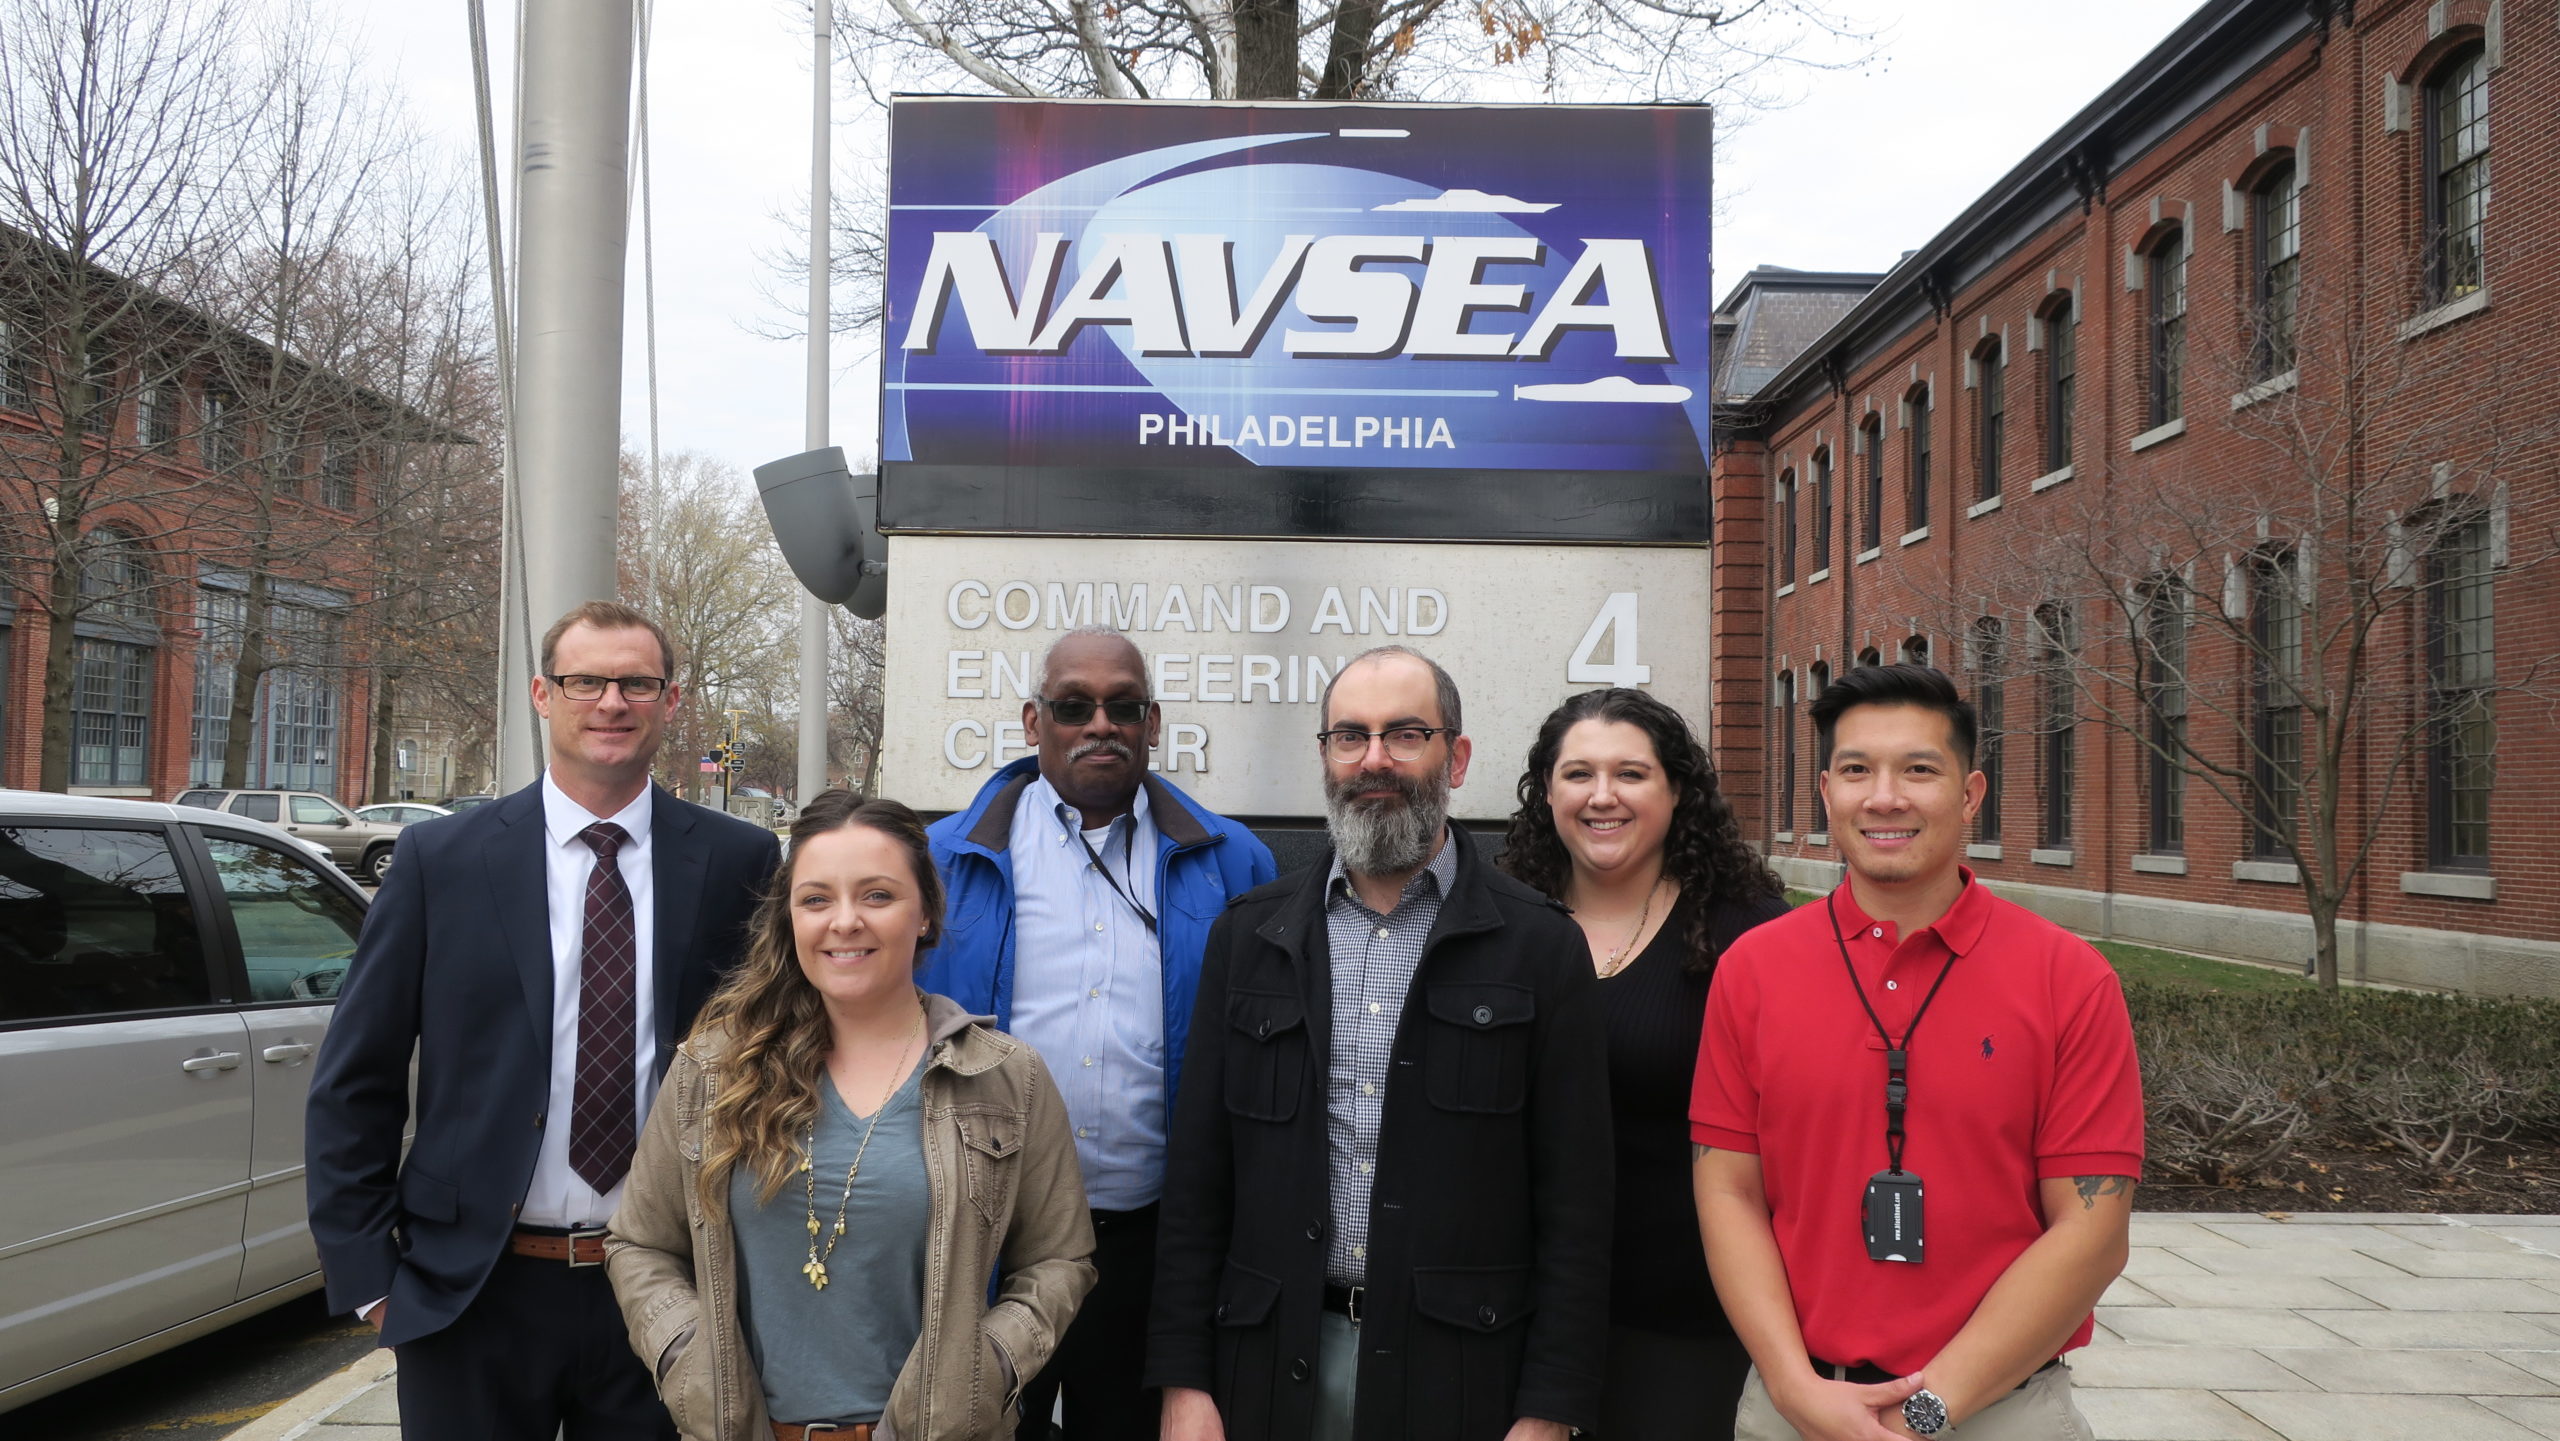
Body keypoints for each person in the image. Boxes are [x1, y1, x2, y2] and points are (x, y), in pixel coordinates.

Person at [306, 600, 782, 1440]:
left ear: (670, 701)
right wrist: (371, 1277)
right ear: (541, 693)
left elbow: (771, 1058)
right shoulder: (440, 860)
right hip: (473, 1291)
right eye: (585, 680)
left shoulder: (738, 859)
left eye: (638, 682)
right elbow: (357, 1077)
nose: (611, 701)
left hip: (666, 1288)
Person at [1149, 644, 1614, 1441]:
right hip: (1267, 1367)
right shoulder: (1250, 936)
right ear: (1324, 755)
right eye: (1349, 736)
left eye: (1405, 734)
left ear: (1455, 756)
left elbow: (1577, 1207)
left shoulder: (1540, 947)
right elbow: (1198, 1183)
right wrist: (1183, 1382)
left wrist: (1550, 1409)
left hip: (1463, 1378)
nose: (1374, 760)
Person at [1690, 664, 2143, 1441]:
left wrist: (1929, 1409)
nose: (1885, 796)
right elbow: (1728, 1191)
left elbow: (2092, 1232)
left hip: (2002, 1409)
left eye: (1919, 769)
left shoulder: (2068, 978)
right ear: (1827, 792)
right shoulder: (1753, 971)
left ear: (1970, 794)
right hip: (1797, 1407)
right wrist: (1795, 1389)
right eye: (1858, 769)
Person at [606, 792, 1098, 1441]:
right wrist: (684, 1355)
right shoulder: (713, 1069)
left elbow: (1060, 1257)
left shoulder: (1005, 1077)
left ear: (924, 912)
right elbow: (640, 1243)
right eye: (816, 899)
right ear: (790, 916)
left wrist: (990, 1365)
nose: (844, 921)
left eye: (876, 895)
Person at [922, 626, 1277, 1441]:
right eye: (1073, 706)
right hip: (983, 1242)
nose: (1099, 724)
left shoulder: (1233, 862)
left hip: (1149, 1246)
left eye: (1123, 706)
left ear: (1153, 722)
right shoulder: (943, 860)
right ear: (1032, 720)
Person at [1499, 688, 1789, 1440]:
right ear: (1546, 790)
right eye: (1578, 774)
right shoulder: (1495, 920)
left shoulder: (1747, 935)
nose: (1603, 796)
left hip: (1683, 1322)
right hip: (1513, 1315)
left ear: (1677, 790)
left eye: (1630, 773)